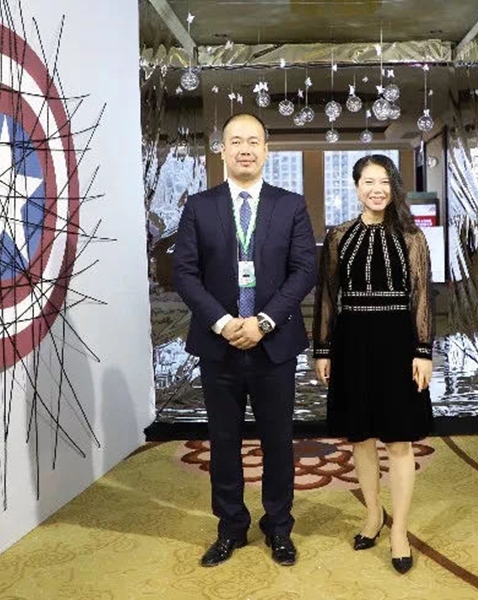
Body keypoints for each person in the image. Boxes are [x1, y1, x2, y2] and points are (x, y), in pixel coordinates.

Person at [173, 113, 317, 568]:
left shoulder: (291, 205)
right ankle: (230, 527)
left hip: (274, 345)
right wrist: (222, 322)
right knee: (223, 442)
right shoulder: (199, 206)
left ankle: (279, 527)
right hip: (219, 346)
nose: (245, 149)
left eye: (254, 141)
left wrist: (265, 322)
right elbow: (184, 273)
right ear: (223, 150)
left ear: (266, 150)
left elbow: (304, 271)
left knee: (278, 441)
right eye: (236, 141)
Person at [313, 154, 434, 574]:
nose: (376, 189)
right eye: (368, 182)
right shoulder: (338, 236)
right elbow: (327, 296)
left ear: (393, 187)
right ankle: (372, 515)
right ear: (356, 187)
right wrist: (323, 350)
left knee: (399, 442)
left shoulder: (412, 238)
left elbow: (422, 296)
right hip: (351, 345)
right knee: (360, 438)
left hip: (398, 345)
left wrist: (423, 350)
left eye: (384, 182)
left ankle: (399, 530)